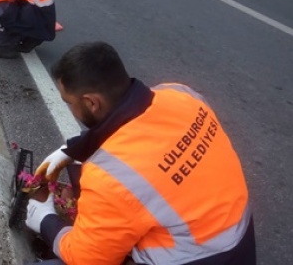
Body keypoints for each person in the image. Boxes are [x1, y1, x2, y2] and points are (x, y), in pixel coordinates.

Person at [26, 42, 256, 265]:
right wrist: (72, 149)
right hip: (239, 241)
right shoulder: (180, 94)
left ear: (91, 102)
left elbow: (86, 259)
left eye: (69, 102)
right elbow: (137, 121)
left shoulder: (110, 177)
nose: (71, 108)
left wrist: (46, 221)